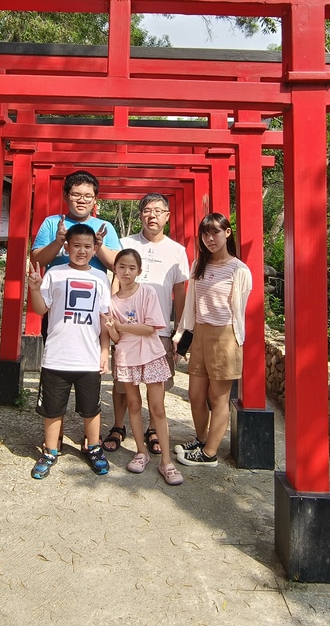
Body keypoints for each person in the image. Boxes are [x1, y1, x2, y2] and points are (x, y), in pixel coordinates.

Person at [102, 193, 189, 457]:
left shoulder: (177, 250)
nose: (152, 215)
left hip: (158, 328)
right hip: (125, 325)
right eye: (147, 210)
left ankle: (153, 429)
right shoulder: (125, 243)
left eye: (158, 210)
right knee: (121, 381)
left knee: (157, 384)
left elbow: (180, 291)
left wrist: (179, 328)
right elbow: (114, 280)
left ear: (167, 216)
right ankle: (118, 426)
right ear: (140, 214)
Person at [26, 224, 112, 479]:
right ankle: (50, 450)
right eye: (76, 246)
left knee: (91, 409)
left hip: (88, 356)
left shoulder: (101, 277)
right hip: (57, 355)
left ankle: (94, 448)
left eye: (88, 246)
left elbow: (105, 318)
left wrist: (105, 351)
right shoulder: (55, 274)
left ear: (95, 248)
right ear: (67, 246)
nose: (82, 251)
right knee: (53, 409)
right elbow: (41, 310)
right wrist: (33, 288)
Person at [173, 213, 252, 468]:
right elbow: (191, 304)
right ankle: (201, 439)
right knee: (195, 394)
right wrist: (182, 332)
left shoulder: (239, 269)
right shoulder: (199, 265)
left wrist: (237, 340)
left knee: (218, 398)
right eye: (205, 234)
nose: (210, 239)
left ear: (227, 233)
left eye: (215, 233)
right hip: (200, 333)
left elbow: (240, 310)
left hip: (225, 336)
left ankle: (209, 453)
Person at [105, 249, 184, 486]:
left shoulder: (147, 292)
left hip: (151, 355)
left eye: (131, 268)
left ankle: (167, 462)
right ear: (115, 270)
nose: (126, 272)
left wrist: (120, 326)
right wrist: (112, 328)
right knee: (133, 405)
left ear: (139, 271)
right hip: (126, 357)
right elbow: (116, 338)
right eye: (122, 267)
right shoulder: (111, 301)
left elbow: (151, 328)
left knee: (157, 407)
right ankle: (141, 452)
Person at [31, 171, 121, 273]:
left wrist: (99, 246)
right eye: (76, 195)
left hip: (93, 287)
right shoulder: (51, 222)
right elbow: (35, 261)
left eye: (88, 196)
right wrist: (57, 243)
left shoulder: (105, 227)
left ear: (95, 199)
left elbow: (118, 266)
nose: (81, 200)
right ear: (65, 196)